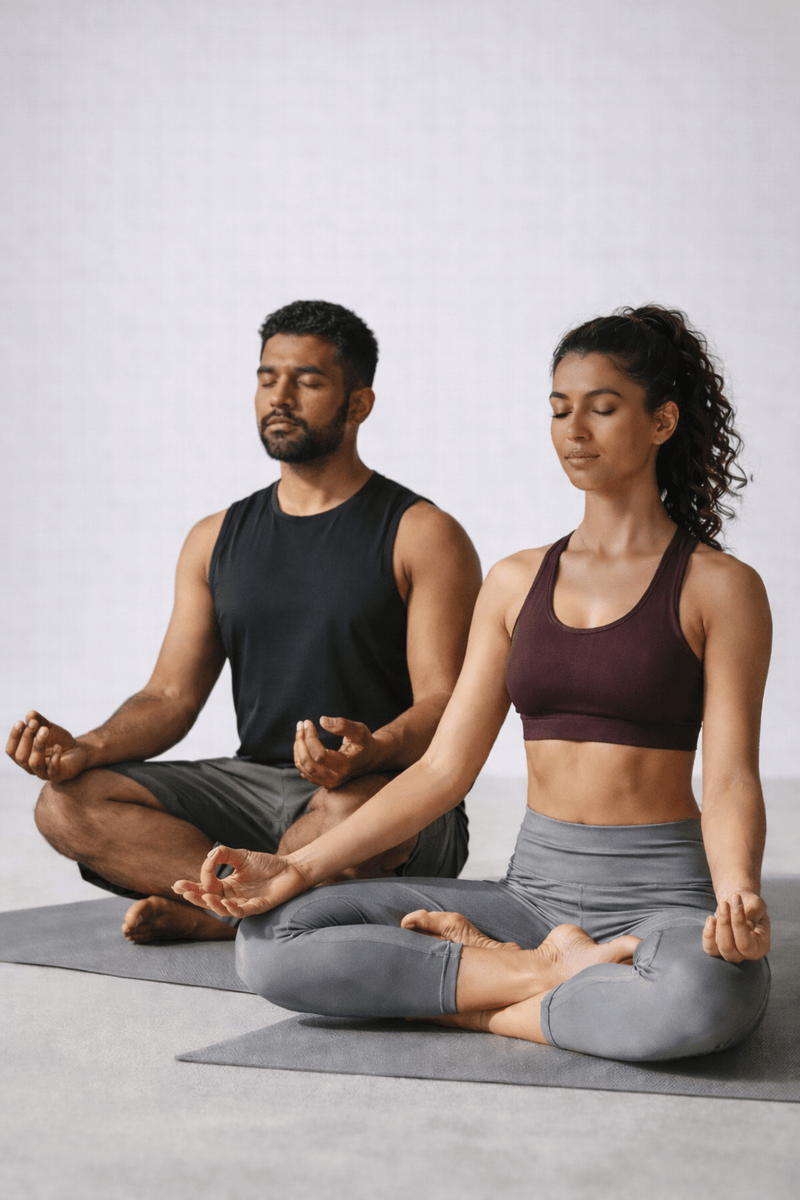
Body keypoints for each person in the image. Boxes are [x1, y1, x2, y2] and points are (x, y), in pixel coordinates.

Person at [173, 304, 772, 1063]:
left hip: (661, 899)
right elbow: (443, 769)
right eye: (560, 410)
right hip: (530, 897)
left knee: (706, 1001)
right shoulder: (515, 583)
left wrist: (735, 892)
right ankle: (540, 970)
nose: (574, 430)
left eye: (603, 407)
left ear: (661, 423)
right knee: (270, 940)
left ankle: (479, 1000)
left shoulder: (721, 588)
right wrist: (296, 868)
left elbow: (727, 780)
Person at [6, 300, 482, 945]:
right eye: (266, 378)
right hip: (254, 784)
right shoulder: (215, 538)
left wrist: (377, 749)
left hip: (383, 795)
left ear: (359, 404)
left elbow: (445, 703)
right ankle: (245, 907)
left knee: (348, 809)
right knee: (68, 804)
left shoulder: (423, 535)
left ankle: (232, 905)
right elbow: (169, 696)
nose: (279, 397)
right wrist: (86, 748)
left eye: (308, 381)